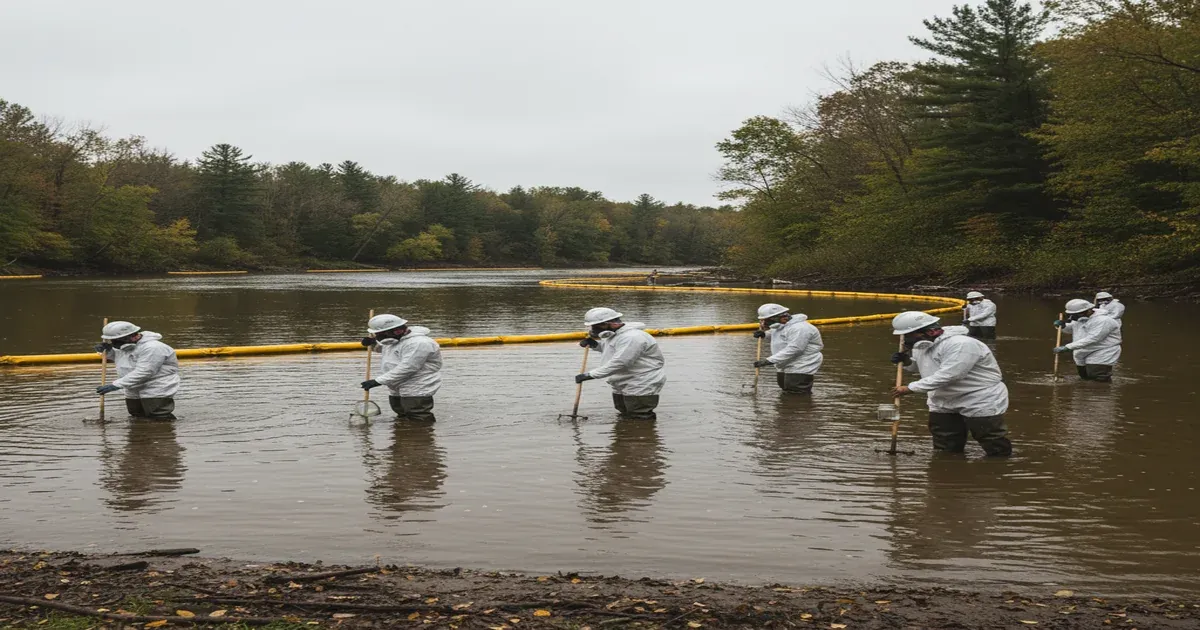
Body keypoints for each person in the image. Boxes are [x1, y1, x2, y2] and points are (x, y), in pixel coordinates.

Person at [889, 311, 1012, 457]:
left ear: (931, 331)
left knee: (991, 439)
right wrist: (907, 362)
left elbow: (950, 375)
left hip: (978, 397)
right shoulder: (922, 346)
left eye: (909, 335)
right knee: (945, 443)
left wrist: (910, 388)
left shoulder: (961, 344)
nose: (906, 340)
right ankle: (948, 468)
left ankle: (1000, 466)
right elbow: (926, 368)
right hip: (943, 398)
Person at [576, 307, 666, 420]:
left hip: (640, 381)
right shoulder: (615, 334)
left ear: (609, 323)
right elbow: (612, 349)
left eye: (596, 326)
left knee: (640, 415)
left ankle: (645, 431)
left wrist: (590, 375)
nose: (593, 330)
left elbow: (620, 362)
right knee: (624, 412)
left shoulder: (632, 337)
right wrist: (596, 345)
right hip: (622, 379)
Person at [360, 313, 443, 422]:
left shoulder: (419, 343)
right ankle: (403, 431)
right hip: (396, 382)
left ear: (396, 331)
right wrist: (373, 344)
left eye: (380, 334)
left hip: (416, 384)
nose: (378, 337)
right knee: (401, 413)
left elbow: (408, 367)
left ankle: (423, 432)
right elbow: (390, 350)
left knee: (417, 415)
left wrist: (378, 381)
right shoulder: (396, 339)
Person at [93, 321, 180, 420]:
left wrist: (116, 385)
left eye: (116, 340)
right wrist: (108, 352)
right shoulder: (127, 346)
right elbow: (122, 359)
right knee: (136, 414)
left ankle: (165, 429)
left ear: (132, 336)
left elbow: (145, 372)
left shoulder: (153, 347)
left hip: (155, 386)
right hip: (132, 386)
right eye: (112, 341)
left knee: (159, 415)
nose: (114, 343)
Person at [751, 303, 823, 395]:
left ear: (782, 318)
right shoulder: (783, 325)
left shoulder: (800, 328)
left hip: (801, 363)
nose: (764, 323)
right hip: (785, 362)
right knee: (785, 388)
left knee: (796, 391)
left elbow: (795, 348)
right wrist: (765, 334)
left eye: (767, 321)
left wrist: (769, 360)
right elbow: (781, 334)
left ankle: (802, 403)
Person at [1054, 299, 1121, 382]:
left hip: (1101, 351)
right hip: (1082, 351)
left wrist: (1068, 347)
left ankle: (1103, 390)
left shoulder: (1103, 320)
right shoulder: (1080, 319)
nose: (1071, 317)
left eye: (1075, 314)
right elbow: (1073, 329)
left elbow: (1094, 338)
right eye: (1070, 315)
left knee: (1097, 377)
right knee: (1084, 377)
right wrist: (1063, 326)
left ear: (1087, 311)